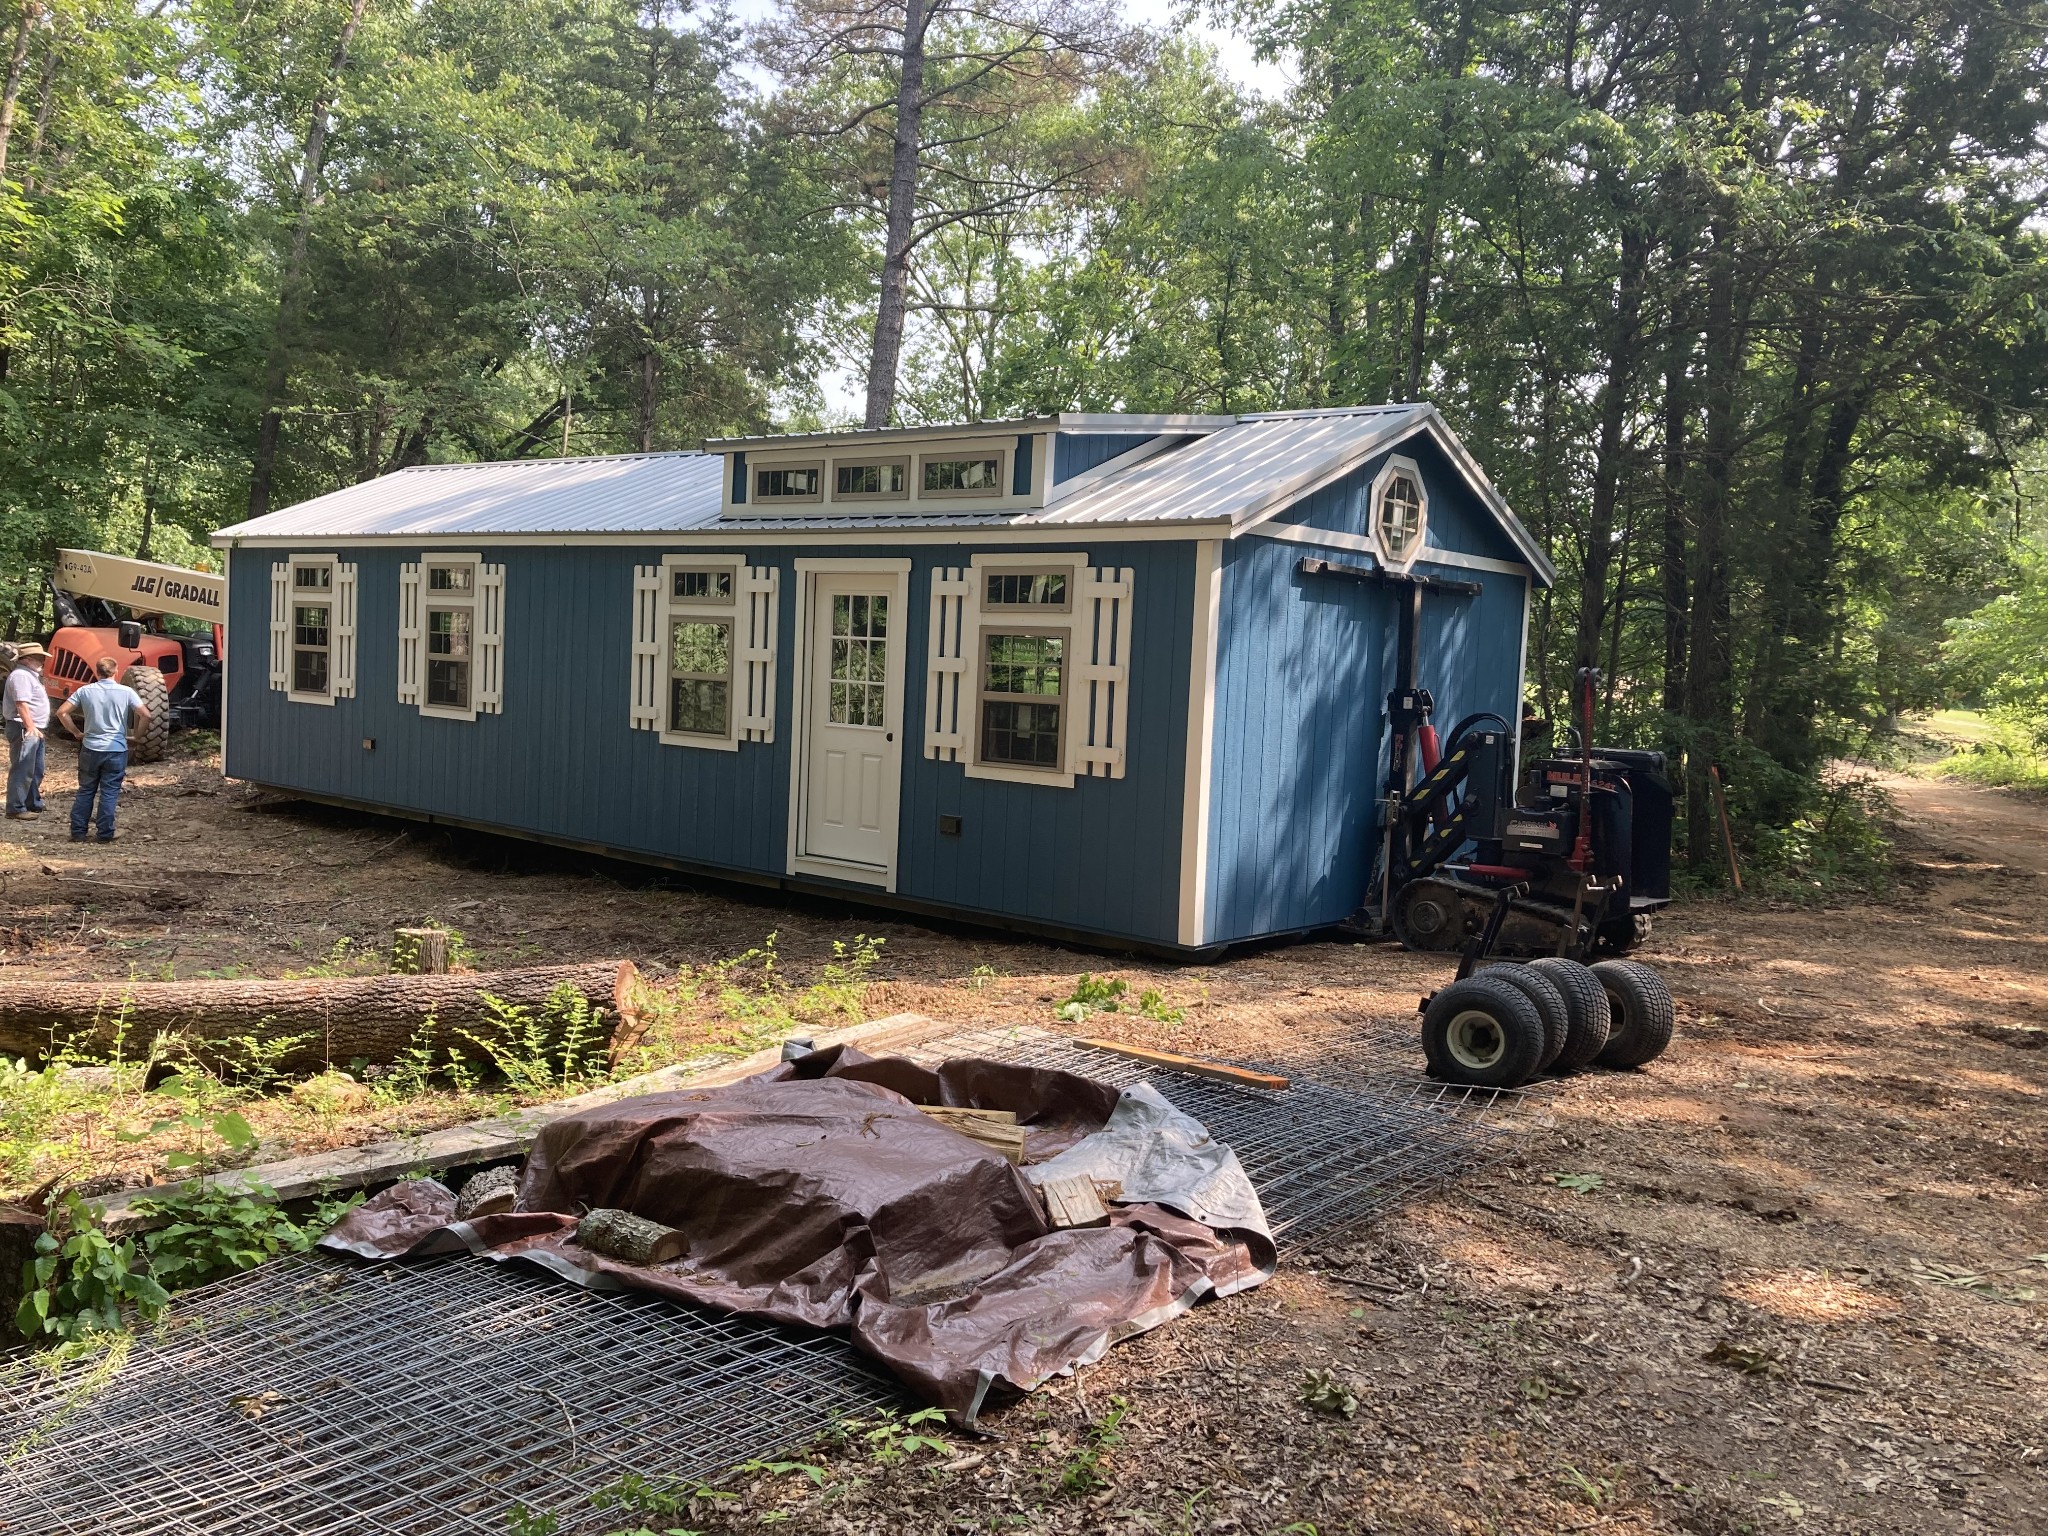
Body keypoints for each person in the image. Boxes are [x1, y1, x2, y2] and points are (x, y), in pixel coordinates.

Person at [56, 656, 149, 844]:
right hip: (116, 749)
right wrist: (137, 737)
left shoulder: (85, 691)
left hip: (90, 748)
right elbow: (146, 715)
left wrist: (76, 732)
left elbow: (61, 712)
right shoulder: (126, 692)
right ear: (116, 671)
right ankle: (105, 833)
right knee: (109, 791)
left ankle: (78, 832)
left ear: (97, 672)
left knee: (86, 790)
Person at [4, 642, 50, 820]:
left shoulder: (29, 675)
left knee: (36, 769)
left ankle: (32, 802)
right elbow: (21, 703)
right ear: (27, 659)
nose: (42, 661)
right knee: (23, 768)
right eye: (39, 658)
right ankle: (15, 808)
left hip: (33, 728)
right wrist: (30, 726)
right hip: (24, 728)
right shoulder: (21, 676)